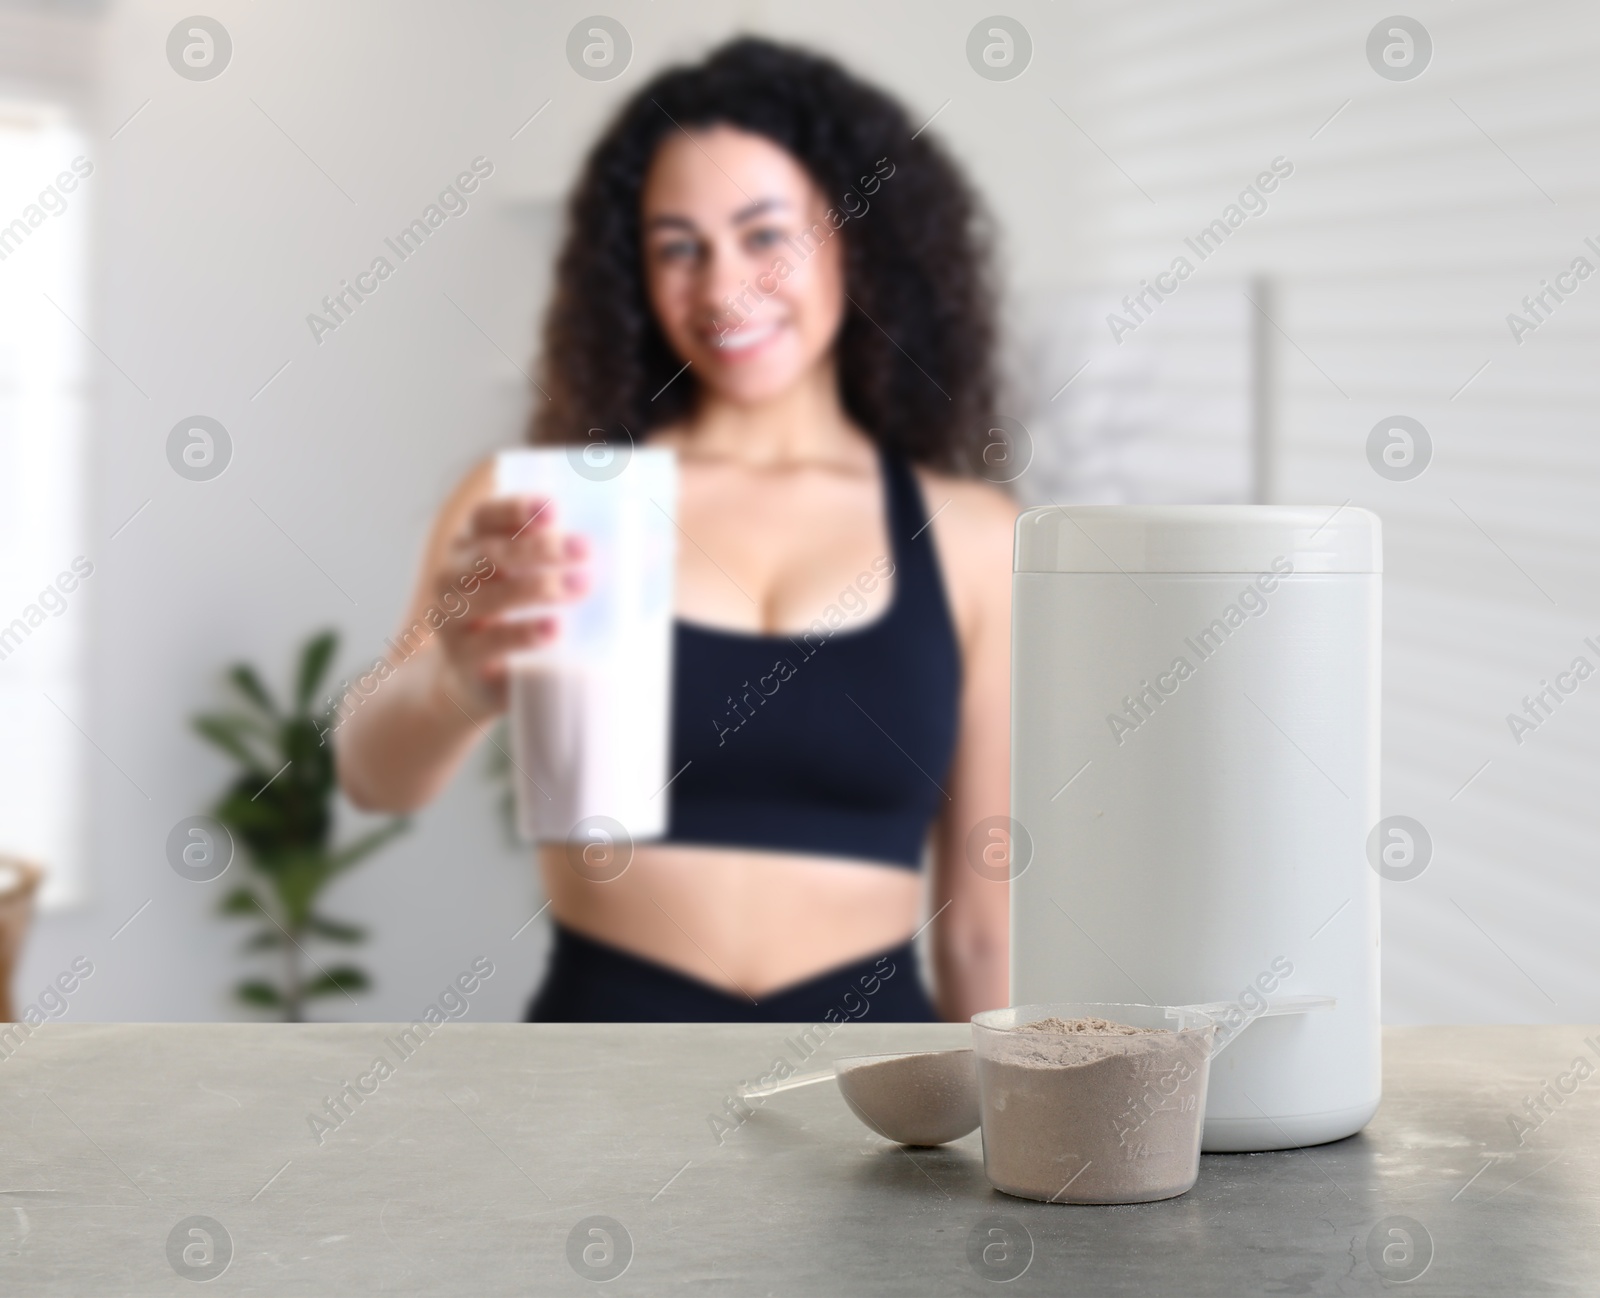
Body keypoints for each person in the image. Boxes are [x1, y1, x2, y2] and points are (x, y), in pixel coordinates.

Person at [336, 38, 1017, 1023]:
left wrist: (994, 1155)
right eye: (677, 246)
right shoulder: (550, 502)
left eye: (764, 234)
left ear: (857, 238)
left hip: (871, 1081)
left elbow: (979, 926)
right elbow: (371, 775)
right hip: (598, 1062)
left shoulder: (973, 536)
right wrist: (449, 686)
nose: (720, 289)